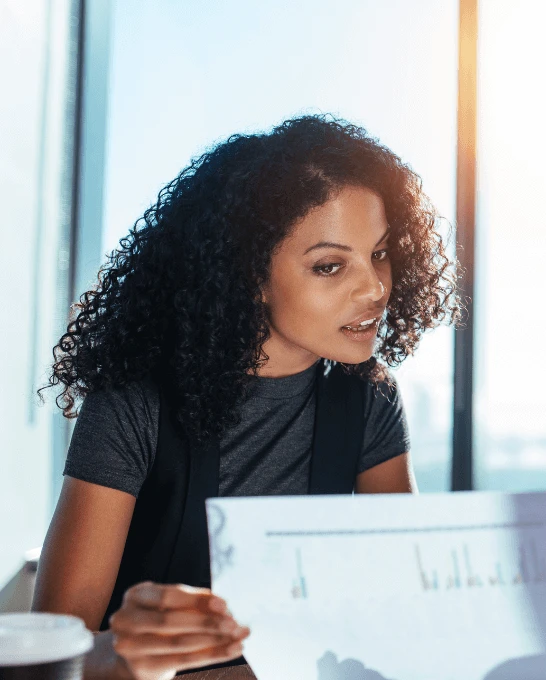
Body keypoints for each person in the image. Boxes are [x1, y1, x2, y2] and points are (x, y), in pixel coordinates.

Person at [33, 116, 457, 679]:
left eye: (379, 254)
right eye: (330, 266)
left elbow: (408, 600)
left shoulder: (368, 399)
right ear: (249, 274)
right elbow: (54, 653)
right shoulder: (135, 402)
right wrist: (121, 654)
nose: (375, 289)